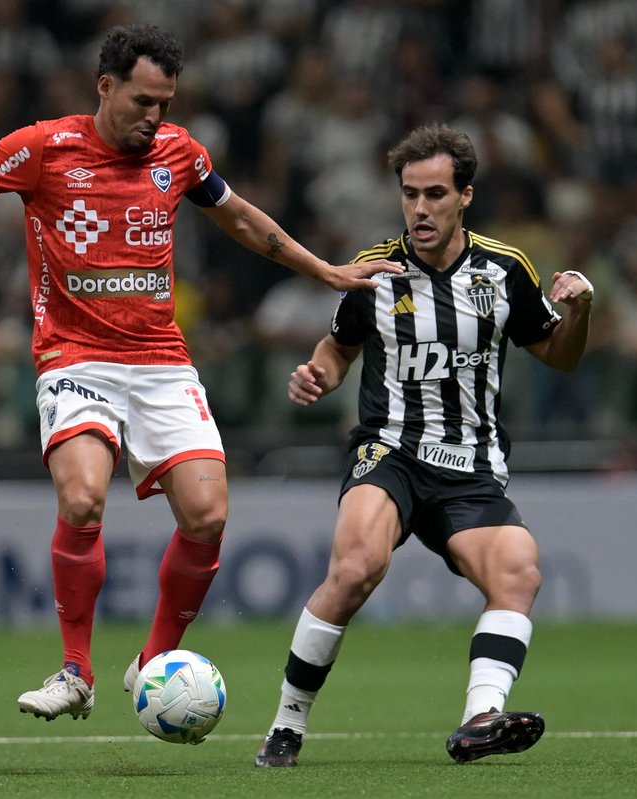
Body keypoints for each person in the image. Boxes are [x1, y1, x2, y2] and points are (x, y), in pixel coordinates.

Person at [0, 23, 400, 725]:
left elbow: (240, 219)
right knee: (81, 498)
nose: (154, 117)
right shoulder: (45, 146)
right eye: (142, 100)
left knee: (209, 515)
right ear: (105, 87)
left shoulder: (179, 153)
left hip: (161, 362)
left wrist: (322, 270)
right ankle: (77, 671)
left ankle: (152, 662)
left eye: (164, 103)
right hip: (74, 358)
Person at [253, 124, 593, 766]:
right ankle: (287, 724)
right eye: (410, 194)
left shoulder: (506, 270)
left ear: (465, 195)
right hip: (392, 454)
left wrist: (579, 314)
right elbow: (339, 346)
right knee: (355, 567)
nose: (420, 208)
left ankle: (480, 719)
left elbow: (559, 356)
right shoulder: (376, 271)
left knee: (519, 574)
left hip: (471, 468)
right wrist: (318, 374)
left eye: (435, 193)